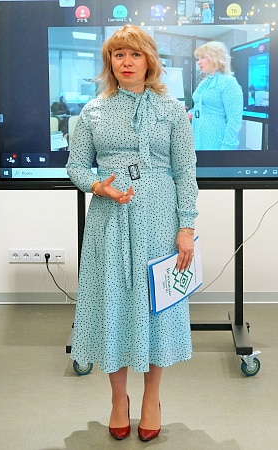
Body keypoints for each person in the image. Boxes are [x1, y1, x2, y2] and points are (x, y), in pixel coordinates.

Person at [65, 24, 198, 442]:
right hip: (109, 221)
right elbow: (75, 166)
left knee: (158, 306)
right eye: (118, 54)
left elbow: (186, 171)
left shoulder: (172, 110)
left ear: (149, 61)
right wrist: (96, 186)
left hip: (160, 220)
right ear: (109, 61)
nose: (126, 62)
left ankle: (151, 398)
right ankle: (118, 399)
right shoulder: (93, 111)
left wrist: (187, 227)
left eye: (135, 54)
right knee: (114, 305)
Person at [187, 41, 243, 150]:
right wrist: (187, 114)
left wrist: (227, 149)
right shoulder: (204, 83)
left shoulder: (229, 82)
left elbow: (234, 120)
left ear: (215, 58)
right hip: (198, 138)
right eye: (198, 58)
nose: (199, 62)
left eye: (203, 57)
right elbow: (199, 107)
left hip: (216, 142)